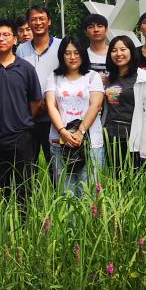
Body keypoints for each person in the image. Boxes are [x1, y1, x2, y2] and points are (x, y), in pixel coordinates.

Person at [0, 18, 42, 205]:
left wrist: (21, 118)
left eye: (6, 35)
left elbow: (36, 101)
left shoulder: (26, 69)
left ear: (14, 39)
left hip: (21, 138)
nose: (1, 39)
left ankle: (24, 221)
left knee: (24, 188)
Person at [45, 36, 105, 197]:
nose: (72, 57)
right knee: (66, 192)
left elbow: (96, 105)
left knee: (89, 193)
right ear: (61, 55)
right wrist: (63, 131)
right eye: (67, 53)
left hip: (90, 142)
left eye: (76, 52)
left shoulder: (92, 76)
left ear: (83, 54)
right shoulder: (54, 77)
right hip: (60, 142)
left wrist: (80, 132)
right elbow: (51, 105)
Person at [102, 36, 146, 168]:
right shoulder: (109, 78)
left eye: (123, 49)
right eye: (114, 50)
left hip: (132, 137)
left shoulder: (143, 78)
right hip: (110, 136)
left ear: (132, 52)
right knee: (112, 177)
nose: (118, 53)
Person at [18, 4, 60, 168]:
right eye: (33, 19)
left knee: (56, 164)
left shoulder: (60, 46)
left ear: (49, 21)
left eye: (41, 19)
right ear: (29, 23)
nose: (38, 23)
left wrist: (49, 100)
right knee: (29, 164)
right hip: (29, 115)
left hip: (55, 115)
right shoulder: (22, 49)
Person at [83, 14, 110, 79]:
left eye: (100, 26)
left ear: (106, 30)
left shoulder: (116, 54)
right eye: (91, 27)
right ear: (85, 32)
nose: (96, 30)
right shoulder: (82, 56)